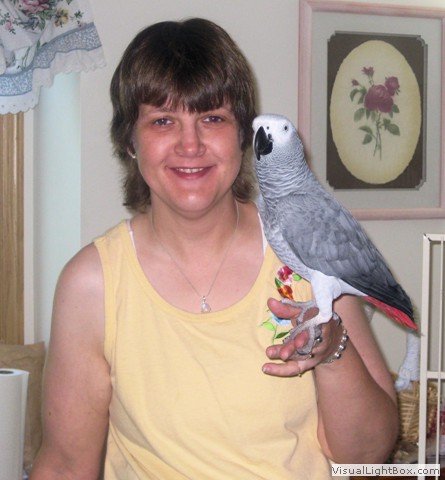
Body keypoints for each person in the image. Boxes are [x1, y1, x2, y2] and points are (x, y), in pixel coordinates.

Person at [30, 18, 398, 480]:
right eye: (163, 121)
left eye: (212, 119)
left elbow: (367, 458)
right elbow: (65, 466)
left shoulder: (308, 248)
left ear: (243, 136)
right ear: (130, 141)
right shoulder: (92, 285)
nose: (191, 145)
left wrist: (332, 350)